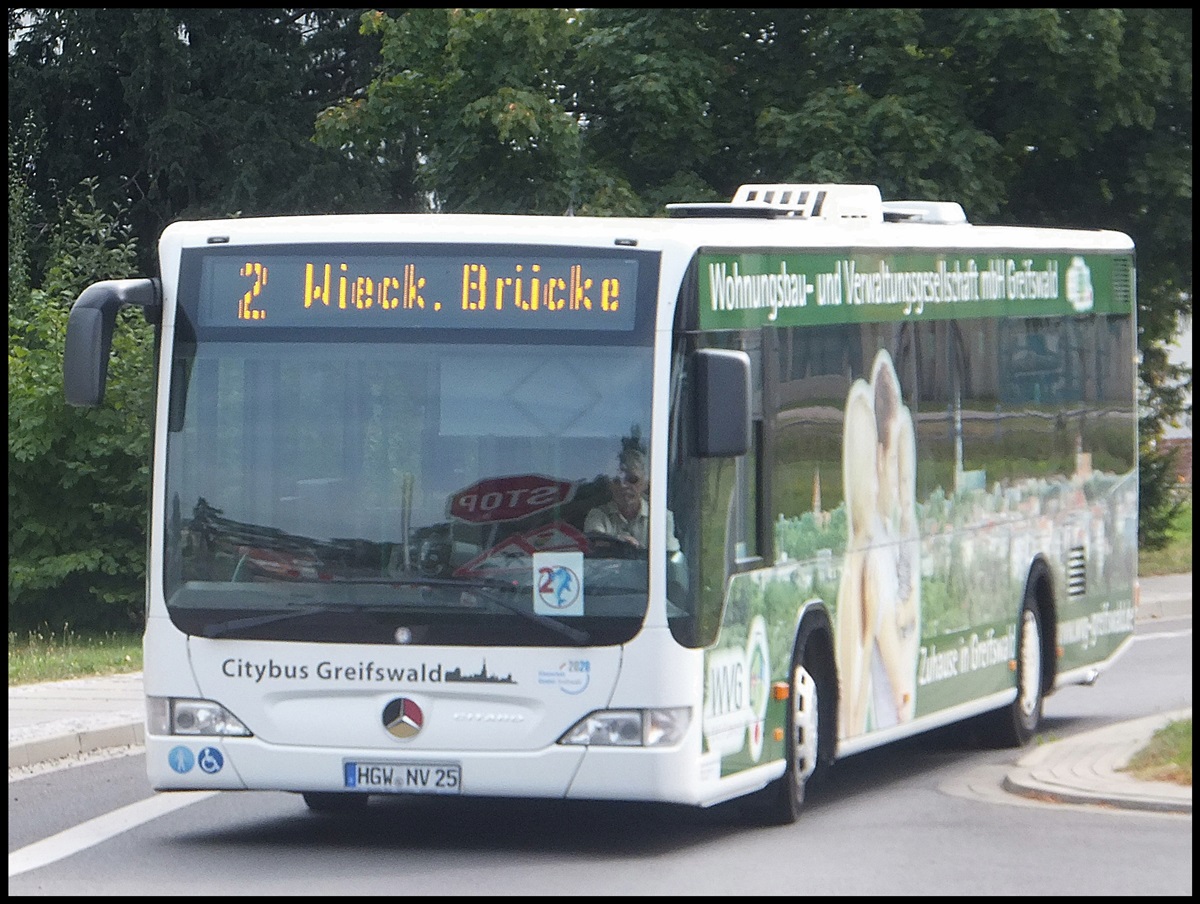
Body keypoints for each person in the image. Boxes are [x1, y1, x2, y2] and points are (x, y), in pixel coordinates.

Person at [584, 446, 680, 555]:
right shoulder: (598, 515)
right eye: (617, 480)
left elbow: (670, 556)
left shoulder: (661, 517)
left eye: (632, 479)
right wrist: (619, 541)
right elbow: (596, 548)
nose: (623, 485)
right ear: (610, 486)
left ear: (646, 483)